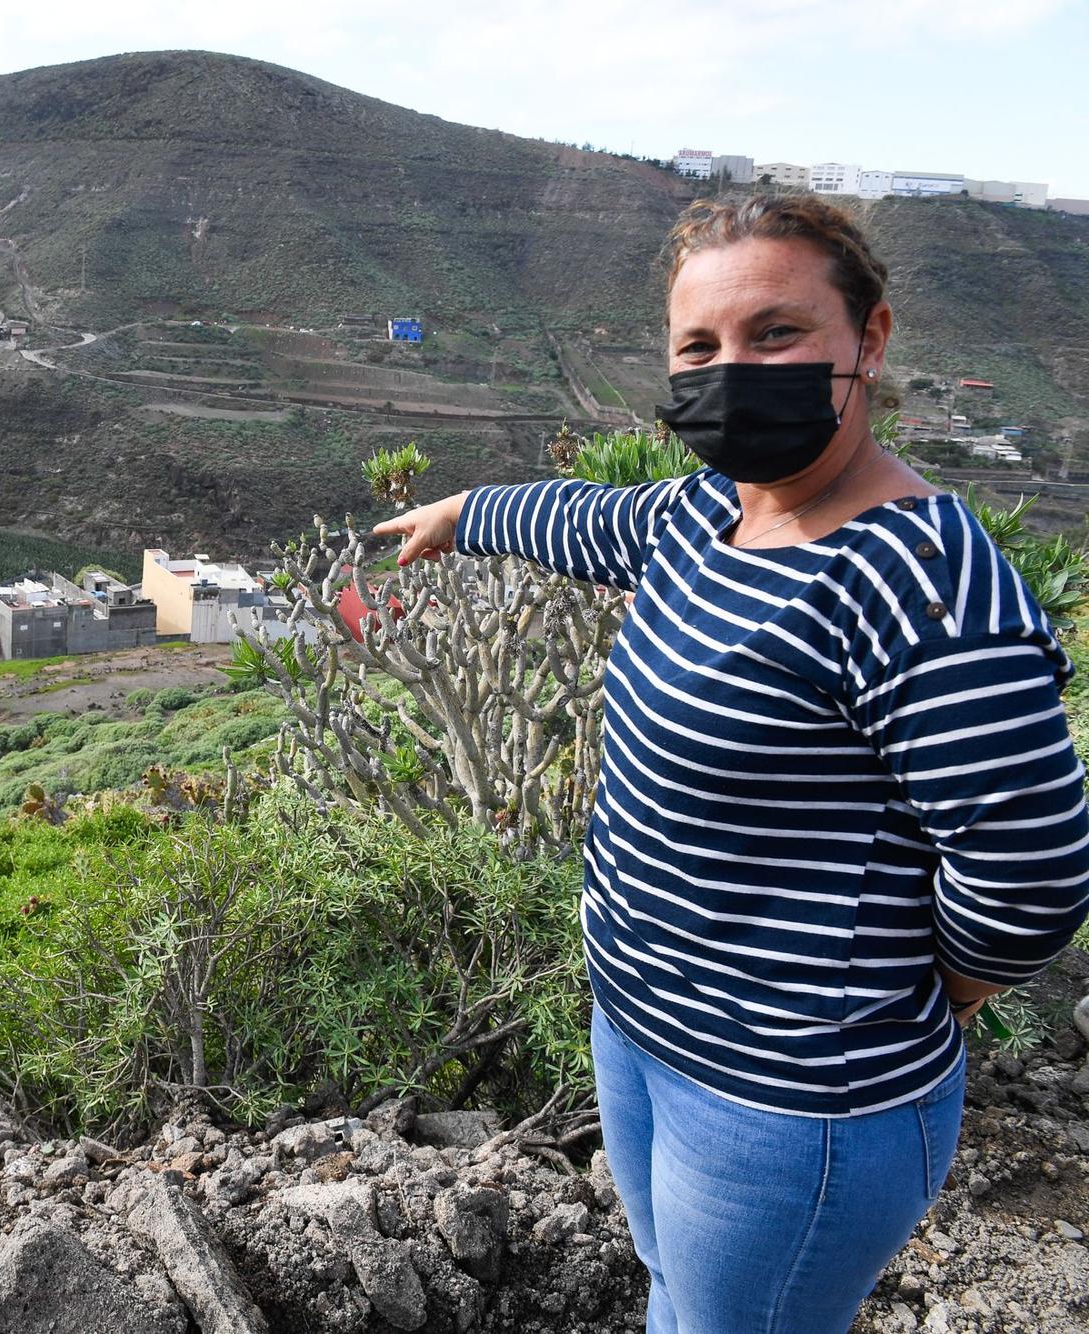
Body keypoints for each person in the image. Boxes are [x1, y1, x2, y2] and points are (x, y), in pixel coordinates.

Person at [371, 195, 1089, 1333]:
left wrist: (923, 988)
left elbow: (1030, 869)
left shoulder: (922, 576)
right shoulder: (710, 514)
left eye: (774, 334)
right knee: (679, 1290)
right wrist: (467, 511)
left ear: (870, 337)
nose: (731, 368)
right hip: (644, 1028)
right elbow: (591, 520)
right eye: (697, 347)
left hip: (794, 1097)